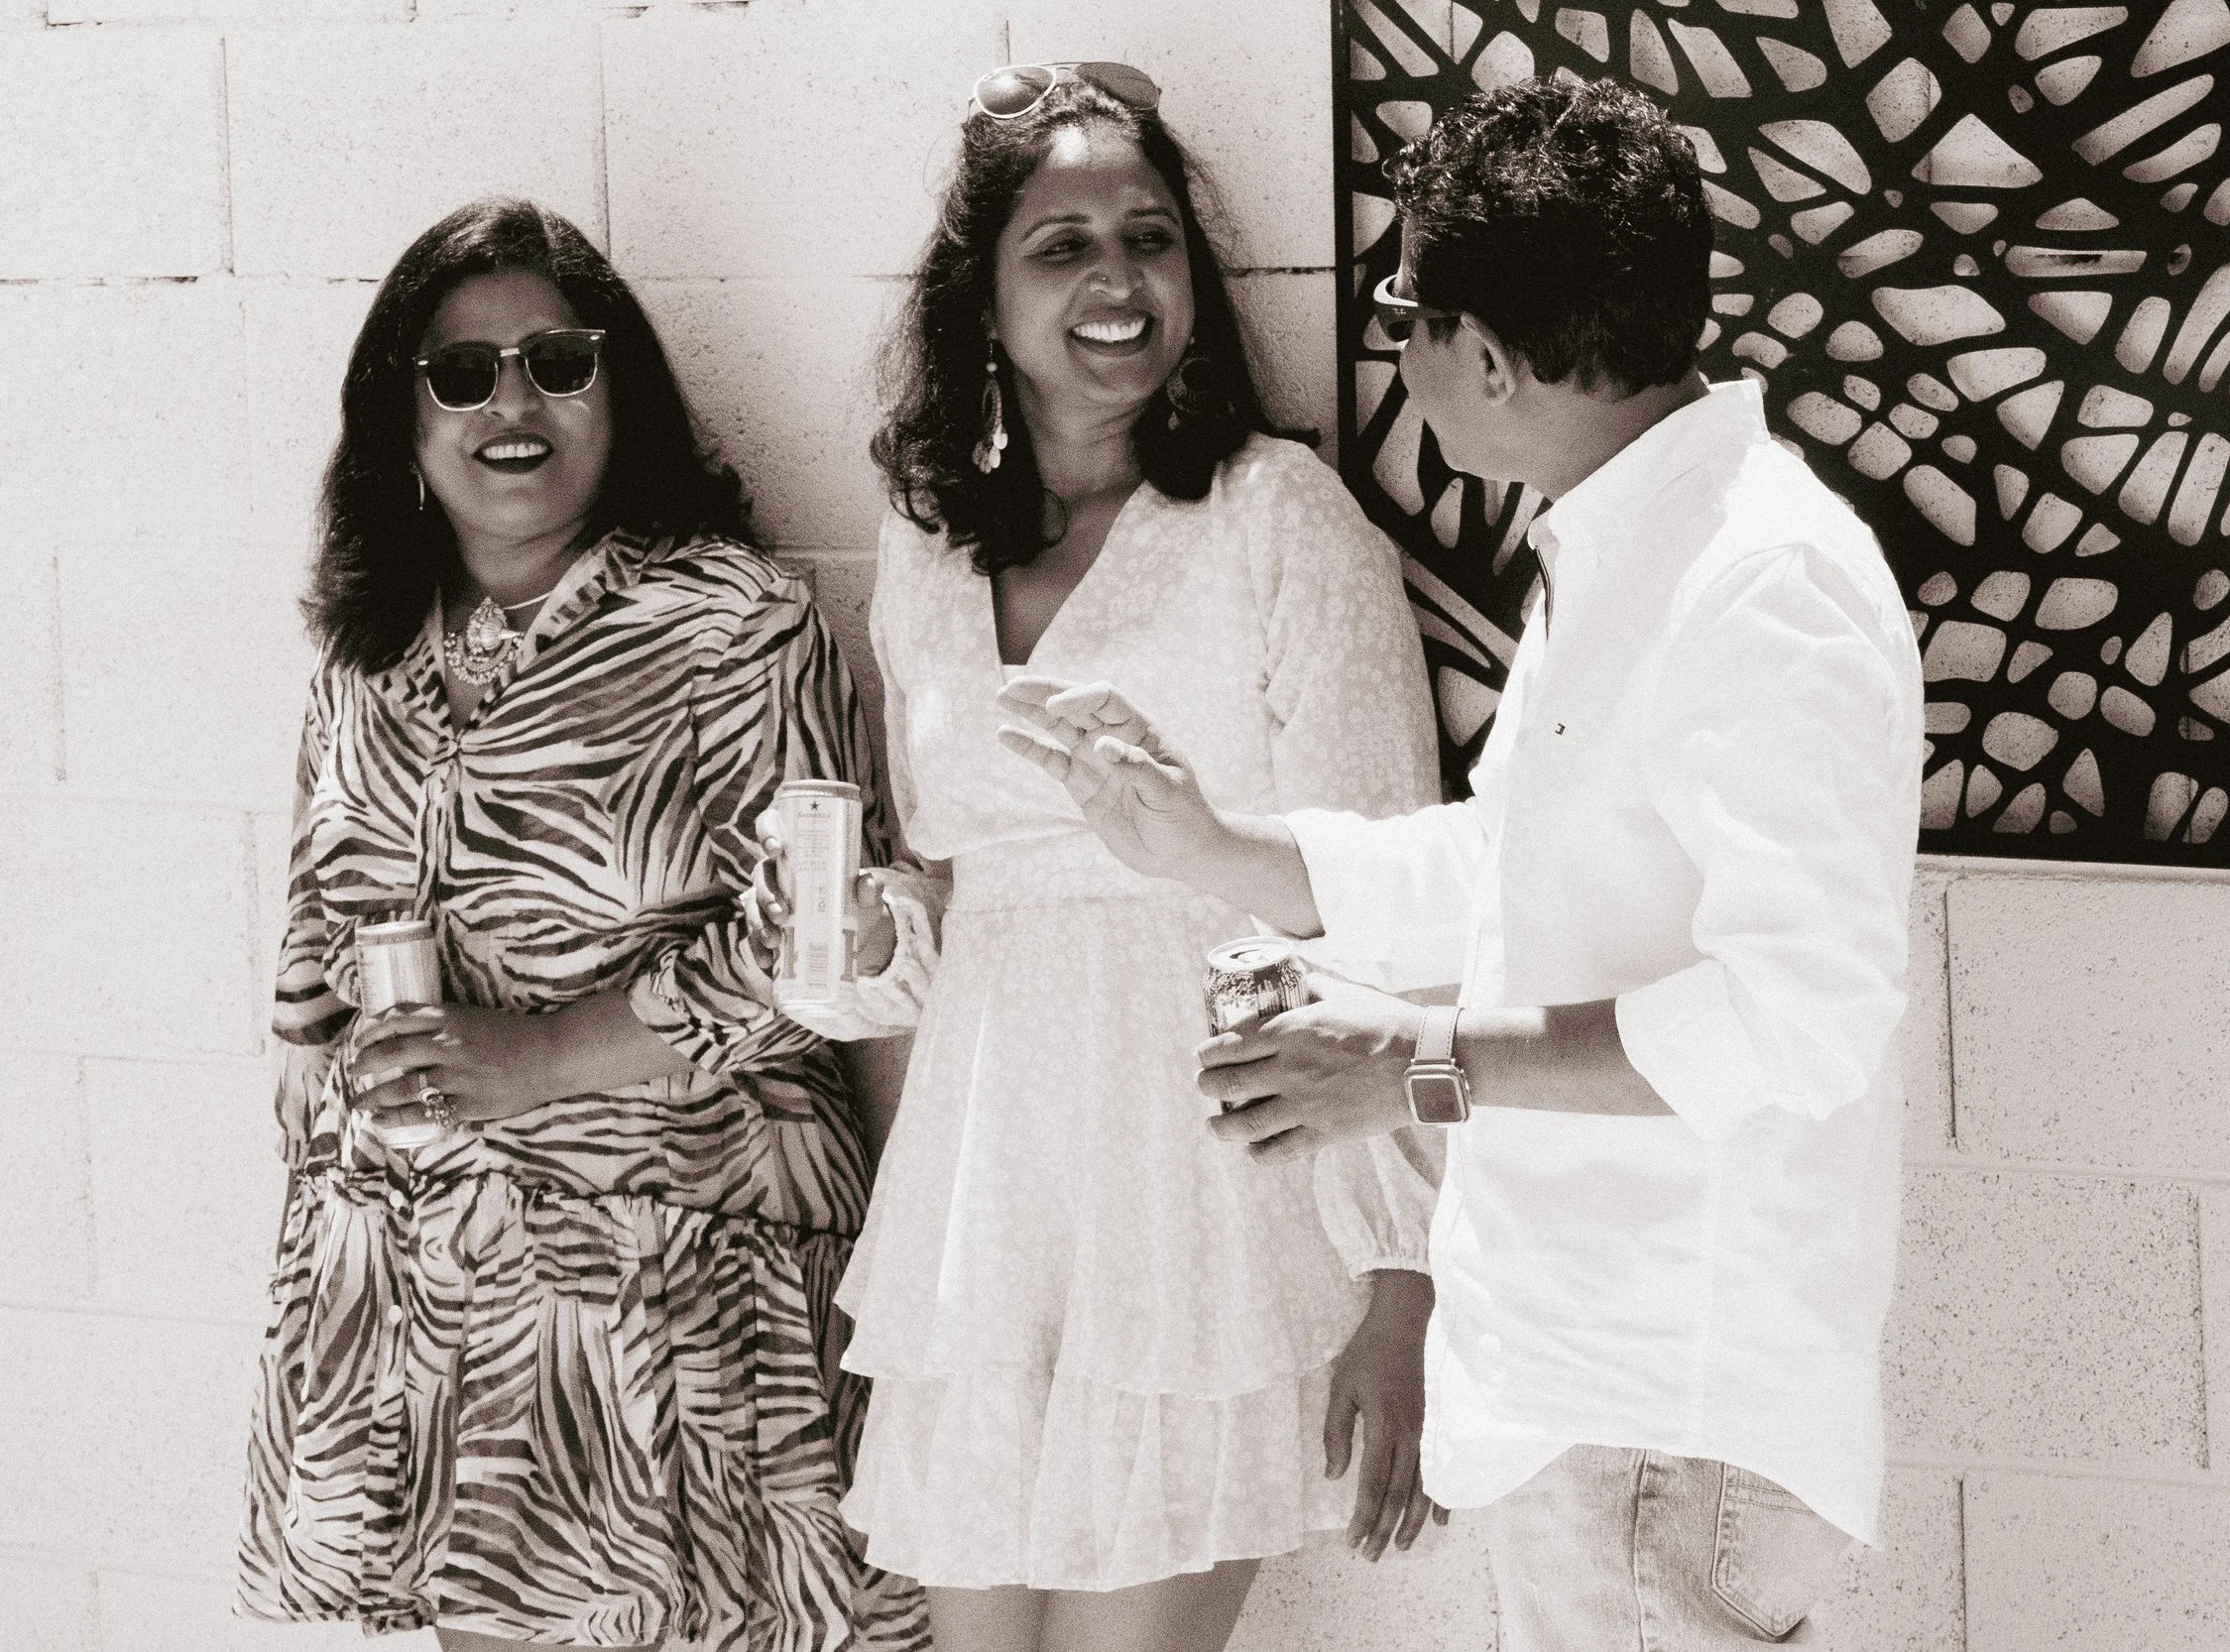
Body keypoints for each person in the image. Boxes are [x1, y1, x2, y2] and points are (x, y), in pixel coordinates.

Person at [1001, 77, 1925, 1650]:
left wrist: (1415, 1064)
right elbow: (1508, 870)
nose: (1396, 346)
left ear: (1488, 359)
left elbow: (1800, 1016)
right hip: (1601, 1408)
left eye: (1404, 312)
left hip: (1664, 1416)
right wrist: (1215, 845)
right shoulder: (1631, 547)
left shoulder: (1759, 581)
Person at [806, 59, 1448, 1652]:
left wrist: (1405, 1278)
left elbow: (1397, 898)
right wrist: (872, 934)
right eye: (1064, 245)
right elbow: (965, 885)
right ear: (984, 300)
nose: (1118, 278)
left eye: (1149, 237)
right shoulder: (925, 546)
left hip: (1206, 1183)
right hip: (990, 1191)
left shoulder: (1276, 514)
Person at [234, 197, 924, 1652]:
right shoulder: (366, 651)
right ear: (399, 415)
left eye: (557, 362)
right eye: (461, 372)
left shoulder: (737, 623)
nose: (512, 403)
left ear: (621, 394)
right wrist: (320, 1105)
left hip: (669, 1293)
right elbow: (312, 929)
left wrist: (541, 1055)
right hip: (422, 1289)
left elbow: (820, 953)